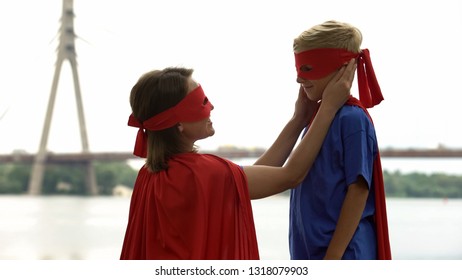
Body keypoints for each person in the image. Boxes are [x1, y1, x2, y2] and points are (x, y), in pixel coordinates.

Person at [120, 62, 356, 260]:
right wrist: (328, 107)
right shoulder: (204, 172)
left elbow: (251, 176)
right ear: (178, 123)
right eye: (201, 102)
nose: (211, 107)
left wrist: (298, 120)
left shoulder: (149, 174)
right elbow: (290, 175)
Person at [279, 20, 391, 260]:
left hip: (345, 255)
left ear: (342, 69)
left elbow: (358, 190)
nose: (299, 79)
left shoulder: (352, 119)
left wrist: (333, 258)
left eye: (308, 69)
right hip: (311, 253)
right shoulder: (316, 119)